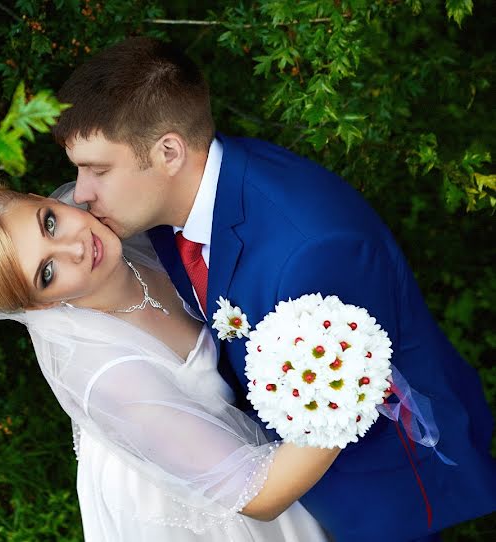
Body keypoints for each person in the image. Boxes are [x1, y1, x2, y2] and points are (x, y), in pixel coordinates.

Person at [51, 36, 496, 541]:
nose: (82, 193)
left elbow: (361, 395)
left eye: (98, 169)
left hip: (372, 481)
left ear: (168, 151)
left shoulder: (312, 250)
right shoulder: (164, 211)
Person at [0, 174, 343, 541]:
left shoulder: (110, 222)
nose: (75, 248)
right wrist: (345, 381)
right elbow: (259, 496)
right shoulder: (109, 377)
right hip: (184, 471)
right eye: (47, 272)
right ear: (38, 306)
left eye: (50, 223)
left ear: (44, 200)